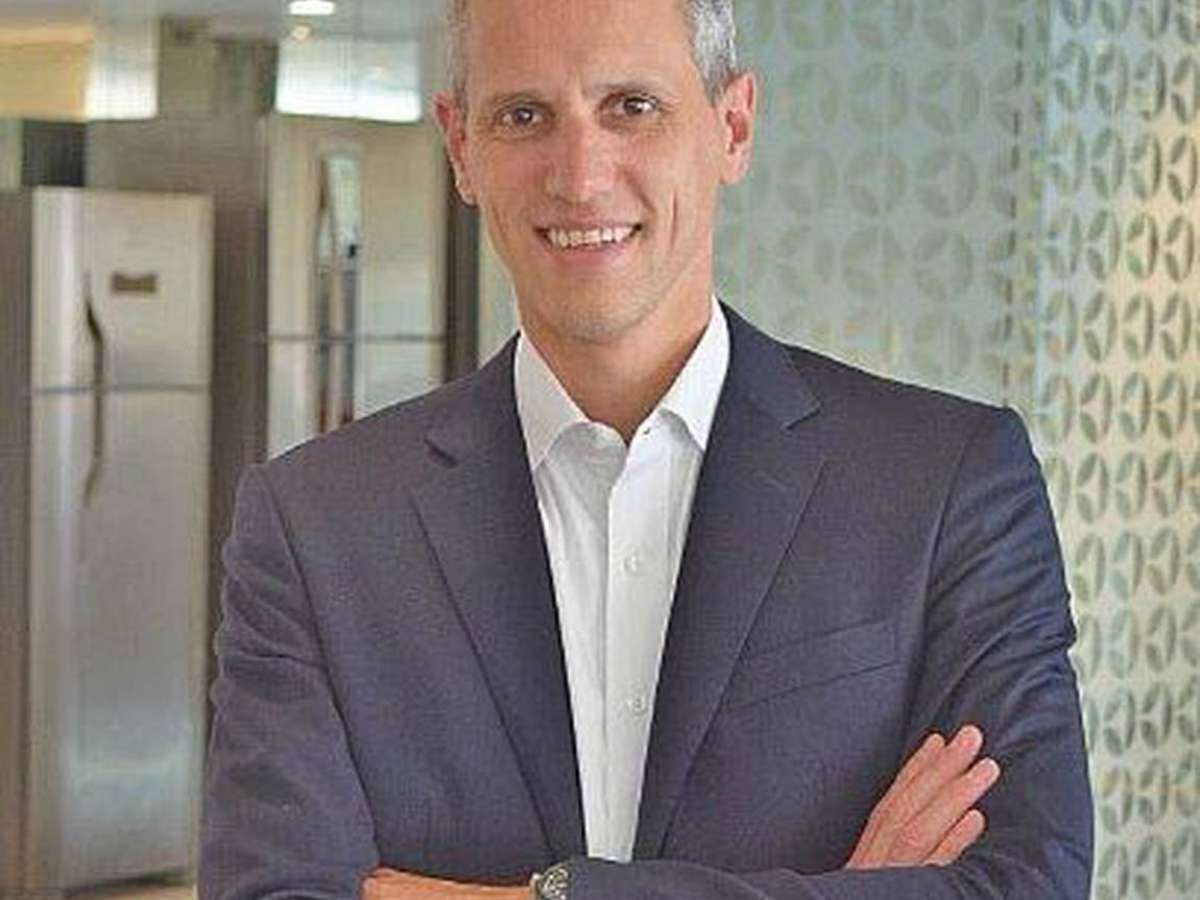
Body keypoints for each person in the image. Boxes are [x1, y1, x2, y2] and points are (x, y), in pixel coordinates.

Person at [199, 1, 1093, 898]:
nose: (580, 177)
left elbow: (1025, 885)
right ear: (461, 148)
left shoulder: (947, 484)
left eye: (632, 107)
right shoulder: (314, 527)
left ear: (733, 125)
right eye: (523, 116)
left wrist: (549, 897)